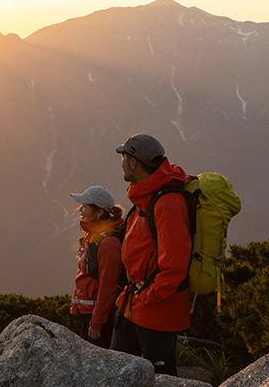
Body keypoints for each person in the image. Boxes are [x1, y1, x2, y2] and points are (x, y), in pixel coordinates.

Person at [110, 134, 191, 376]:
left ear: (133, 162)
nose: (121, 162)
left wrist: (148, 296)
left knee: (162, 379)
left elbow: (175, 264)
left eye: (123, 157)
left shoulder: (167, 203)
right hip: (133, 303)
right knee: (116, 371)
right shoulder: (146, 196)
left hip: (157, 311)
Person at [69, 185, 124, 348]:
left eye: (85, 206)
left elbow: (108, 285)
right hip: (88, 314)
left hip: (100, 320)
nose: (80, 209)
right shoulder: (93, 235)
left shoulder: (108, 243)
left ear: (100, 212)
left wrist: (97, 322)